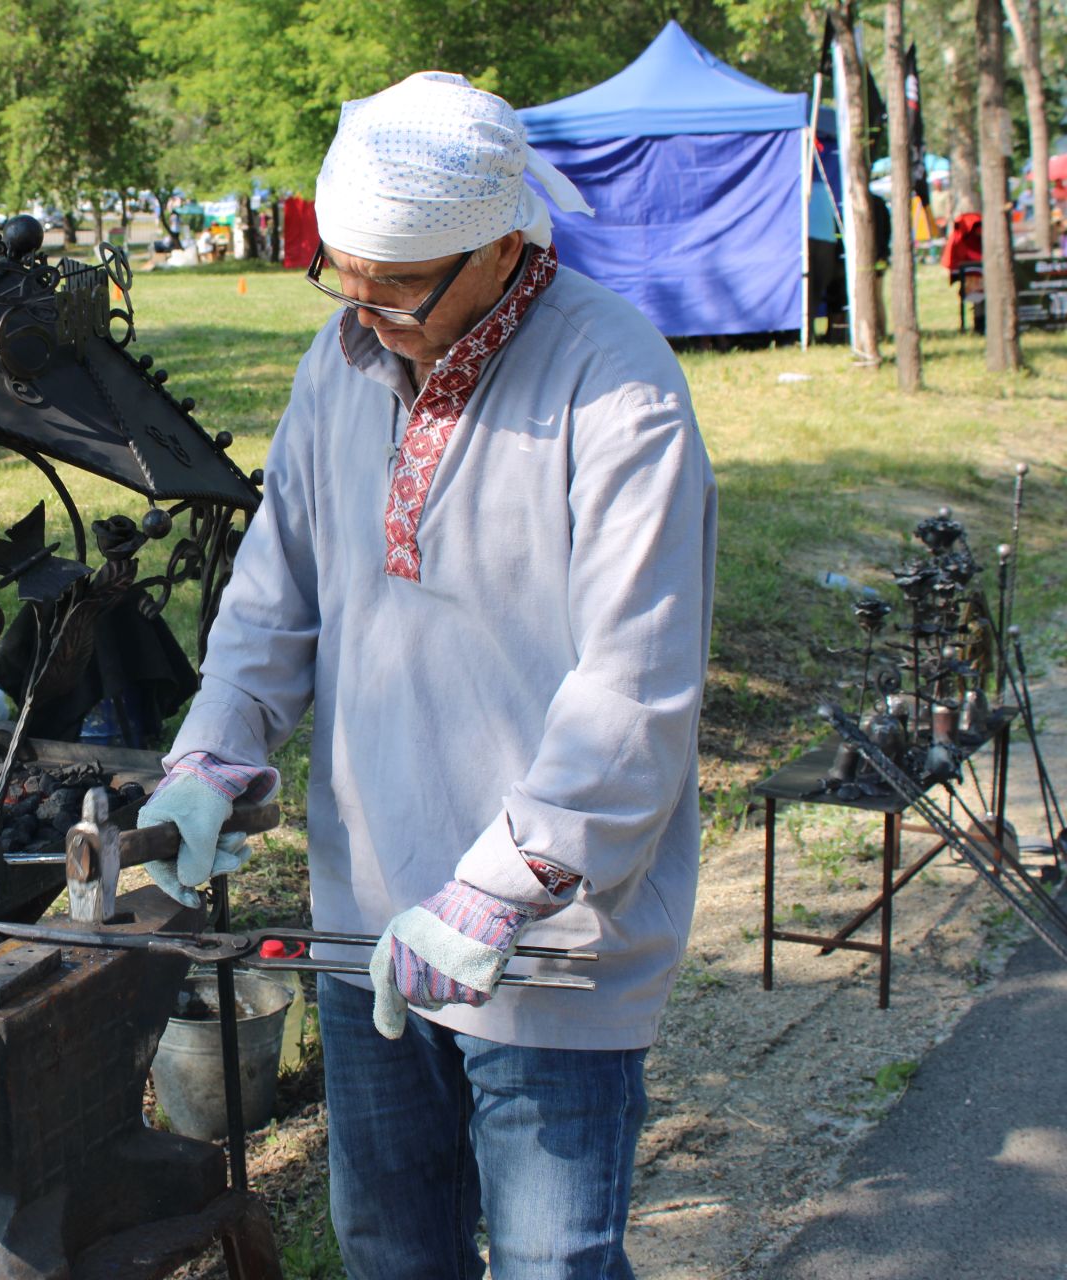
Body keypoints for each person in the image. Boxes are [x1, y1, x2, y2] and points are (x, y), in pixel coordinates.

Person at [136, 74, 716, 1278]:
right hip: (368, 911)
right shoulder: (338, 363)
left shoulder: (619, 387)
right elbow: (271, 598)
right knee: (391, 1248)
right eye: (341, 277)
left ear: (503, 241)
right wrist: (211, 753)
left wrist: (498, 888)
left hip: (552, 933)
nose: (364, 313)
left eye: (394, 287)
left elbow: (635, 689)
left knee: (555, 1260)